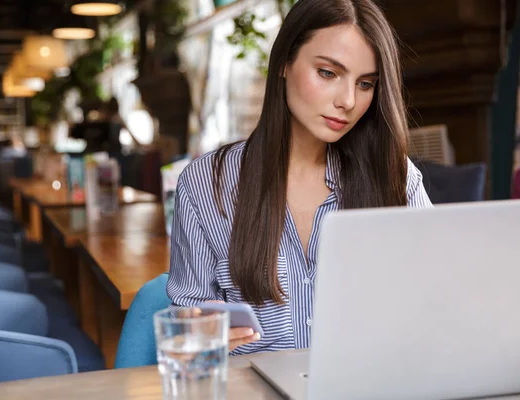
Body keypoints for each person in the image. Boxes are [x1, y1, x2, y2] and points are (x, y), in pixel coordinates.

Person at [167, 0, 433, 356]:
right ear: (284, 64)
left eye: (366, 83)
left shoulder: (397, 179)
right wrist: (198, 339)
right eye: (328, 73)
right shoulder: (205, 185)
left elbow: (433, 302)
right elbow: (187, 329)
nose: (349, 100)